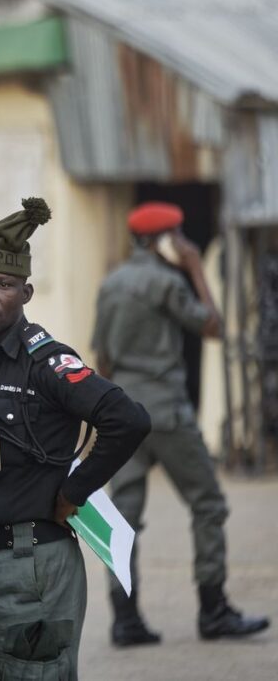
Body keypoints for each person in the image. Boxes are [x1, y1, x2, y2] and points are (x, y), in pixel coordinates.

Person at [0, 197, 151, 680]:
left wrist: (74, 493)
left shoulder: (47, 363)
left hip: (32, 562)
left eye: (3, 285)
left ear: (26, 292)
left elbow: (128, 419)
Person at [92, 201, 270, 645]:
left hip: (124, 414)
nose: (186, 244)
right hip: (167, 412)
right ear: (164, 241)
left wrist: (105, 415)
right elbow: (213, 326)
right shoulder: (167, 281)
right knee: (207, 504)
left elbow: (104, 359)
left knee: (122, 517)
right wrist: (194, 266)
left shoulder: (111, 282)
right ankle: (214, 610)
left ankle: (125, 618)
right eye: (179, 237)